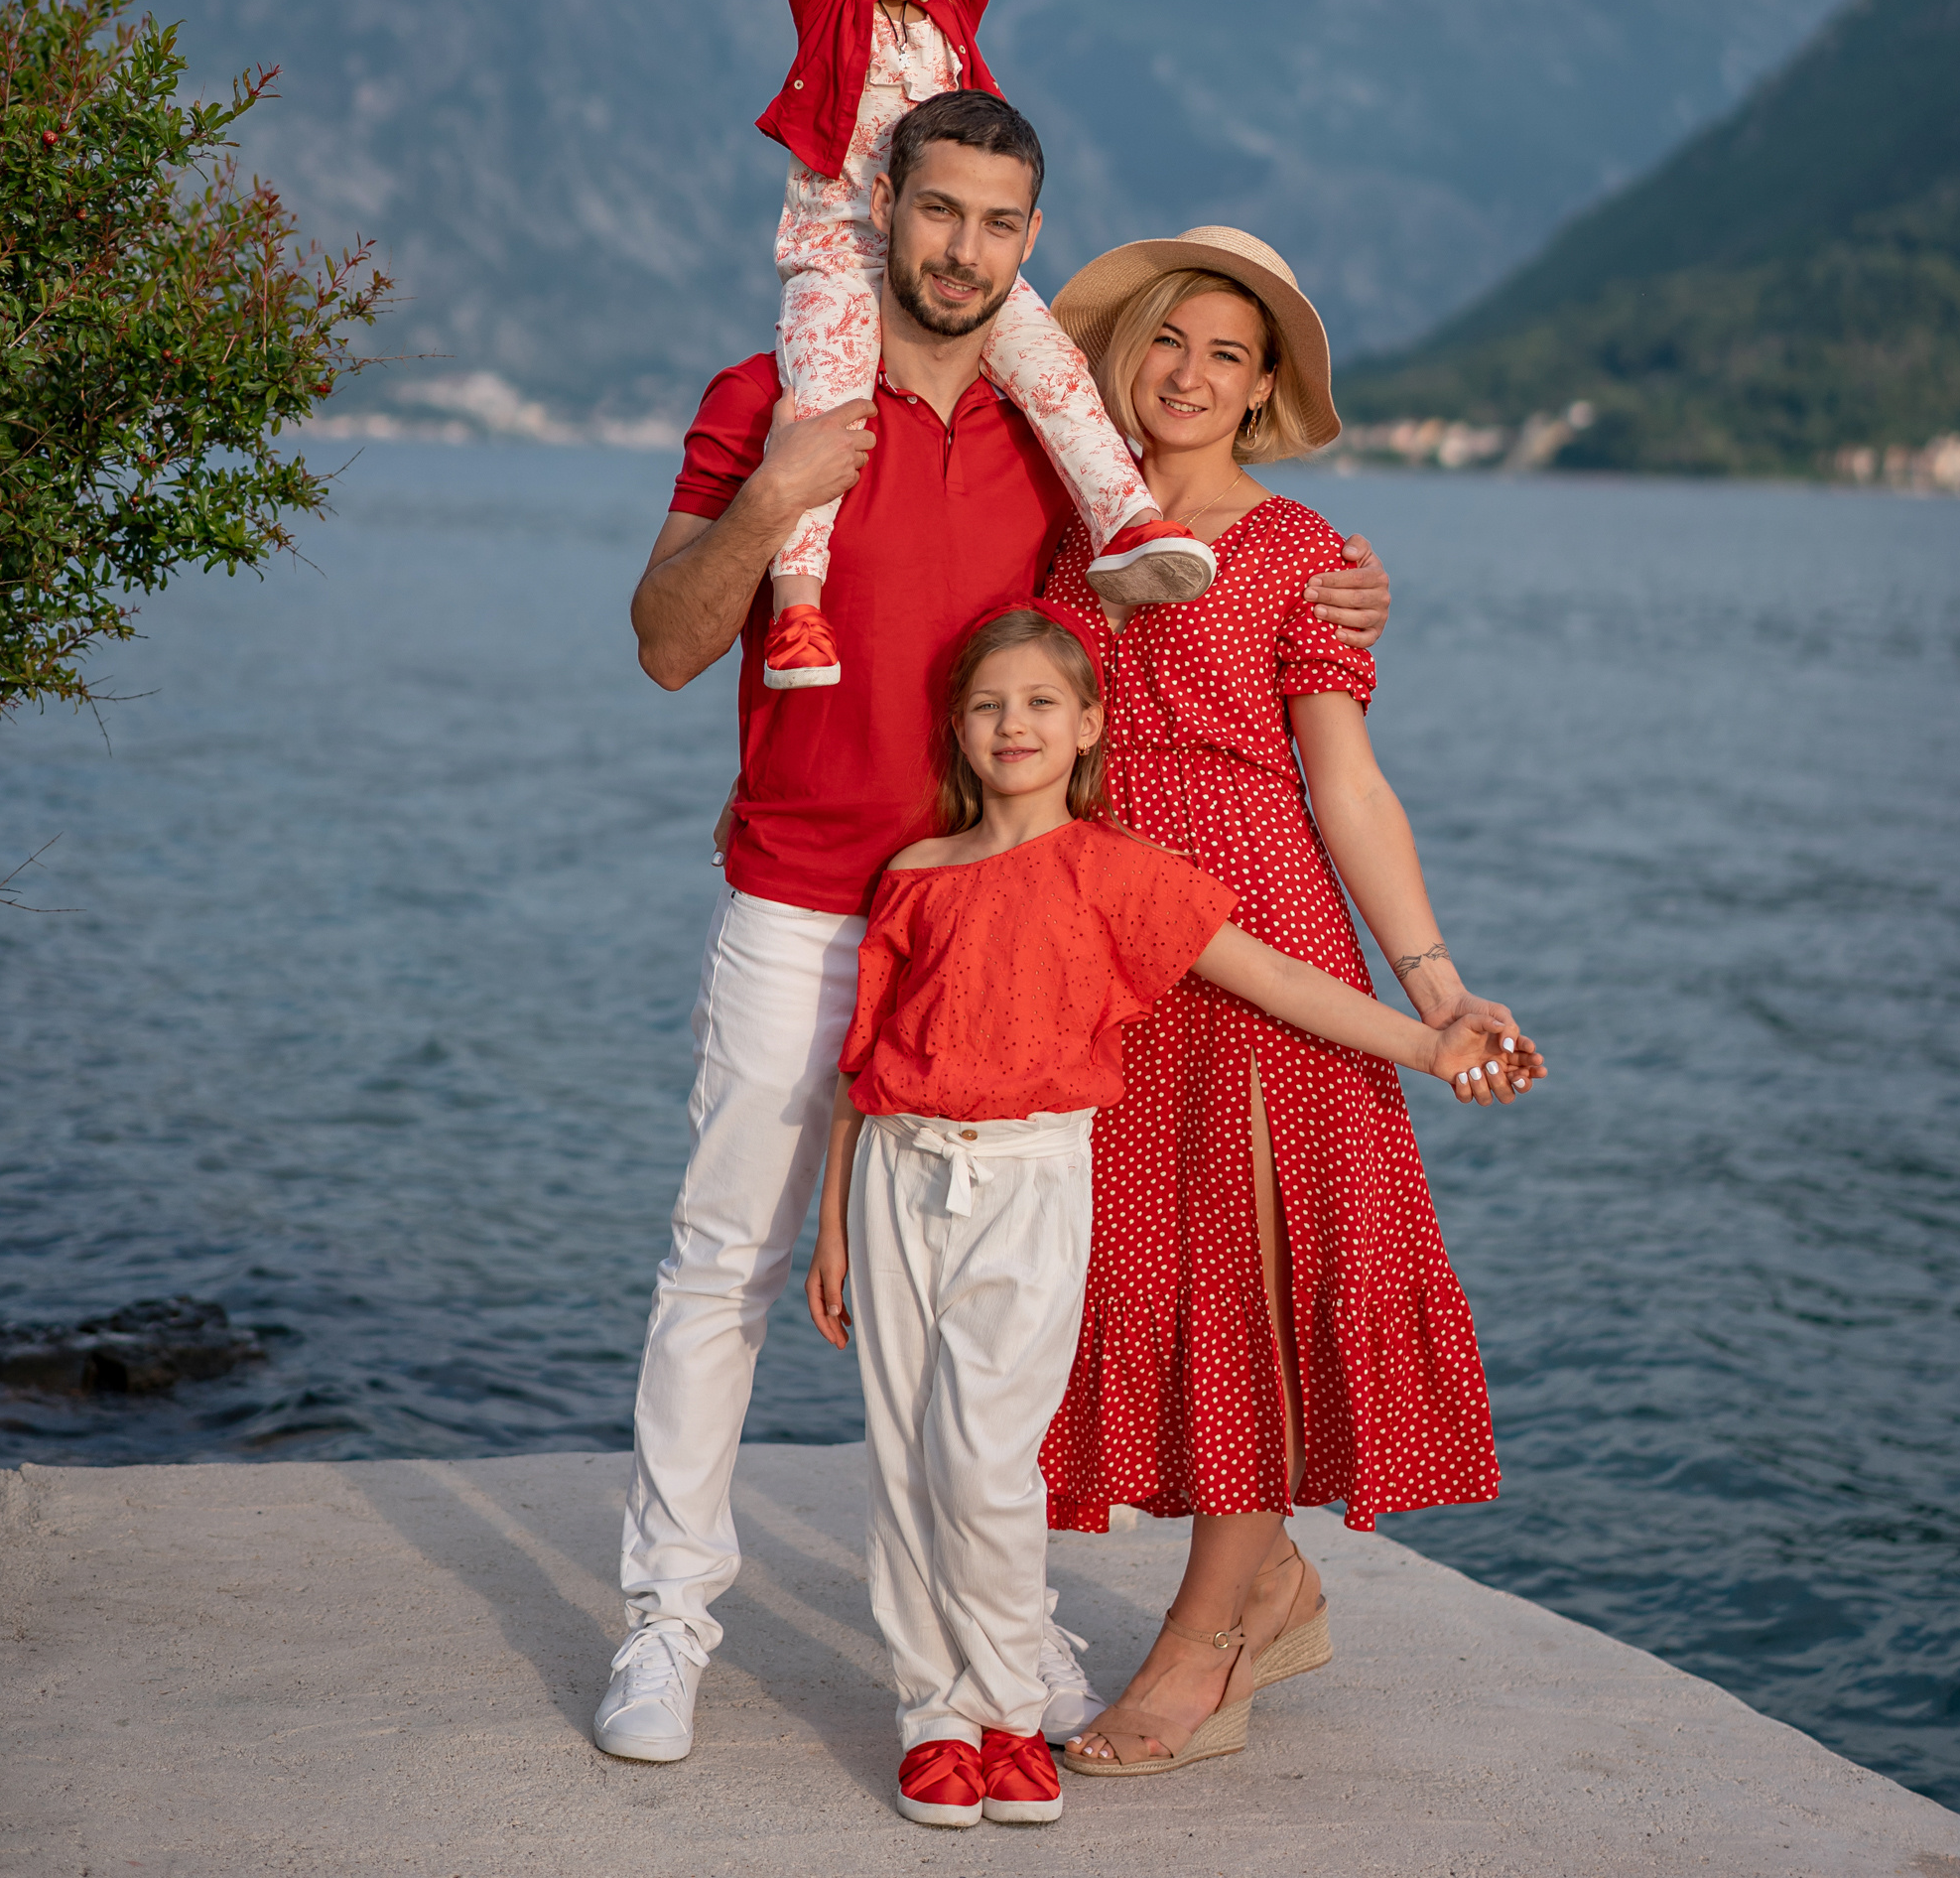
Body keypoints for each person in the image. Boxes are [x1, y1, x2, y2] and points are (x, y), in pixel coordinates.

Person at [594, 101, 1394, 1766]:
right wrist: (773, 505)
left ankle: (974, 1677)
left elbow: (1191, 549)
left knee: (993, 1323)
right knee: (725, 1267)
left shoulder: (1056, 435)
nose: (964, 250)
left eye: (1000, 223)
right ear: (881, 205)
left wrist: (1336, 589)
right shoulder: (771, 397)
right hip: (803, 902)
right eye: (938, 211)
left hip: (991, 924)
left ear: (1032, 239)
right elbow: (670, 644)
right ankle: (667, 1627)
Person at [804, 604, 1539, 1826]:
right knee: (903, 1460)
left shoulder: (1116, 869)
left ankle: (1000, 1709)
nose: (1013, 725)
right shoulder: (913, 875)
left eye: (1041, 702)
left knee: (988, 1462)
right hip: (896, 1177)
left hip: (1032, 1181)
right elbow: (859, 1066)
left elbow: (1280, 977)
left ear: (1090, 725)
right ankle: (932, 1719)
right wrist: (830, 1227)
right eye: (987, 705)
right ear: (956, 726)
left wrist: (1428, 1037)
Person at [1012, 226, 1533, 1780]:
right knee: (1140, 1269)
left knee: (1248, 1277)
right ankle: (1272, 1580)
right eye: (1169, 341)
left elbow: (1345, 781)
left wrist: (1438, 981)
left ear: (1262, 390)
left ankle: (1212, 1636)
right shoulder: (1071, 535)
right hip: (1107, 937)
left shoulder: (1302, 551)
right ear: (1128, 358)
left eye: (1227, 355)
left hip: (1262, 938)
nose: (1189, 374)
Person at [751, 0, 1212, 694]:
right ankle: (798, 611)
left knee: (1050, 365)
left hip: (952, 250)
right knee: (820, 404)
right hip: (843, 244)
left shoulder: (956, 3)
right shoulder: (827, 8)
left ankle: (1124, 520)